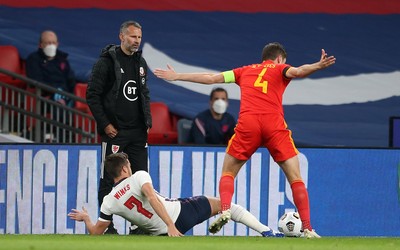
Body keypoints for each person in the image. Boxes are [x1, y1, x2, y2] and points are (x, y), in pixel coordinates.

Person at [154, 42, 336, 238]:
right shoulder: (280, 68)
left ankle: (224, 210)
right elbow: (299, 71)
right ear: (279, 59)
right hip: (273, 124)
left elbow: (211, 78)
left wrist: (178, 76)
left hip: (248, 124)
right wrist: (317, 66)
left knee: (228, 172)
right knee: (295, 178)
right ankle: (307, 228)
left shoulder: (244, 71)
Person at [68, 152, 284, 237]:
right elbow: (151, 197)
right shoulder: (139, 176)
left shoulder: (108, 201)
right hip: (180, 214)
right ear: (125, 169)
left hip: (159, 234)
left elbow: (96, 233)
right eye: (129, 165)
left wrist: (86, 218)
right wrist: (171, 225)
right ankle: (267, 232)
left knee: (139, 232)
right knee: (227, 206)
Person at [86, 20, 152, 234]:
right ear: (121, 36)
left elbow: (144, 93)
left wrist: (147, 121)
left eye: (139, 37)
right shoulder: (106, 62)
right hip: (115, 132)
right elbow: (92, 95)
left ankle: (138, 226)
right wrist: (105, 124)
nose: (137, 41)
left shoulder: (140, 62)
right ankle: (107, 226)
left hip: (137, 132)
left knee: (141, 178)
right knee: (108, 179)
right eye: (133, 37)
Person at [26, 30, 76, 106]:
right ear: (41, 45)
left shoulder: (62, 59)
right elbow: (36, 80)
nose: (51, 45)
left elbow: (70, 80)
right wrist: (54, 90)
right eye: (48, 43)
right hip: (44, 96)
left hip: (64, 95)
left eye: (53, 43)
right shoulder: (34, 59)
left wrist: (65, 94)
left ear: (57, 44)